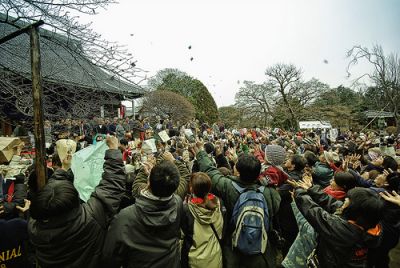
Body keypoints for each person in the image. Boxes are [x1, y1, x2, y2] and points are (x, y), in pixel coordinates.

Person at [28, 136, 126, 268]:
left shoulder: (35, 227)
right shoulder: (90, 219)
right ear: (75, 200)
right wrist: (113, 150)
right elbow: (111, 187)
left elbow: (51, 192)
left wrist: (64, 168)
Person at [194, 142, 281, 268]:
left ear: (238, 173)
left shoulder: (227, 186)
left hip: (233, 247)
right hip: (261, 248)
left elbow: (210, 172)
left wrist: (201, 153)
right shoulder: (271, 193)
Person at [102, 153, 183, 268]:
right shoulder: (178, 203)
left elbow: (109, 257)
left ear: (148, 182)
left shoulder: (126, 217)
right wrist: (153, 178)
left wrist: (151, 178)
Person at [293, 179, 384, 268]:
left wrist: (299, 191)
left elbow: (313, 211)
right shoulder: (369, 222)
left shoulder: (344, 230)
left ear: (353, 209)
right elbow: (332, 203)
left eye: (347, 201)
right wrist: (312, 189)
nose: (344, 202)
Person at [181, 172, 223, 268]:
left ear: (191, 188)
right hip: (215, 257)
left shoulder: (187, 210)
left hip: (195, 261)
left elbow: (183, 236)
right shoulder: (219, 204)